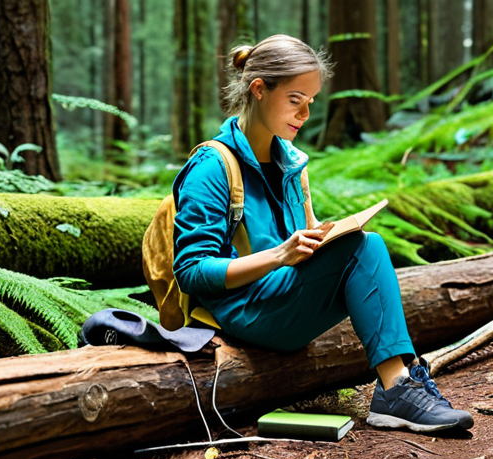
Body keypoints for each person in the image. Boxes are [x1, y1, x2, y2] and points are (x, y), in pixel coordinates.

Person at [171, 34, 473, 432]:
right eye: (295, 100)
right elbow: (191, 271)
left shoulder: (292, 163)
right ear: (259, 89)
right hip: (242, 312)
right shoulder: (212, 167)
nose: (305, 114)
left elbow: (297, 239)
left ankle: (399, 384)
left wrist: (318, 237)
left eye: (311, 102)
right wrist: (281, 255)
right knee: (365, 249)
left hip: (280, 297)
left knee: (365, 243)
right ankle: (396, 390)